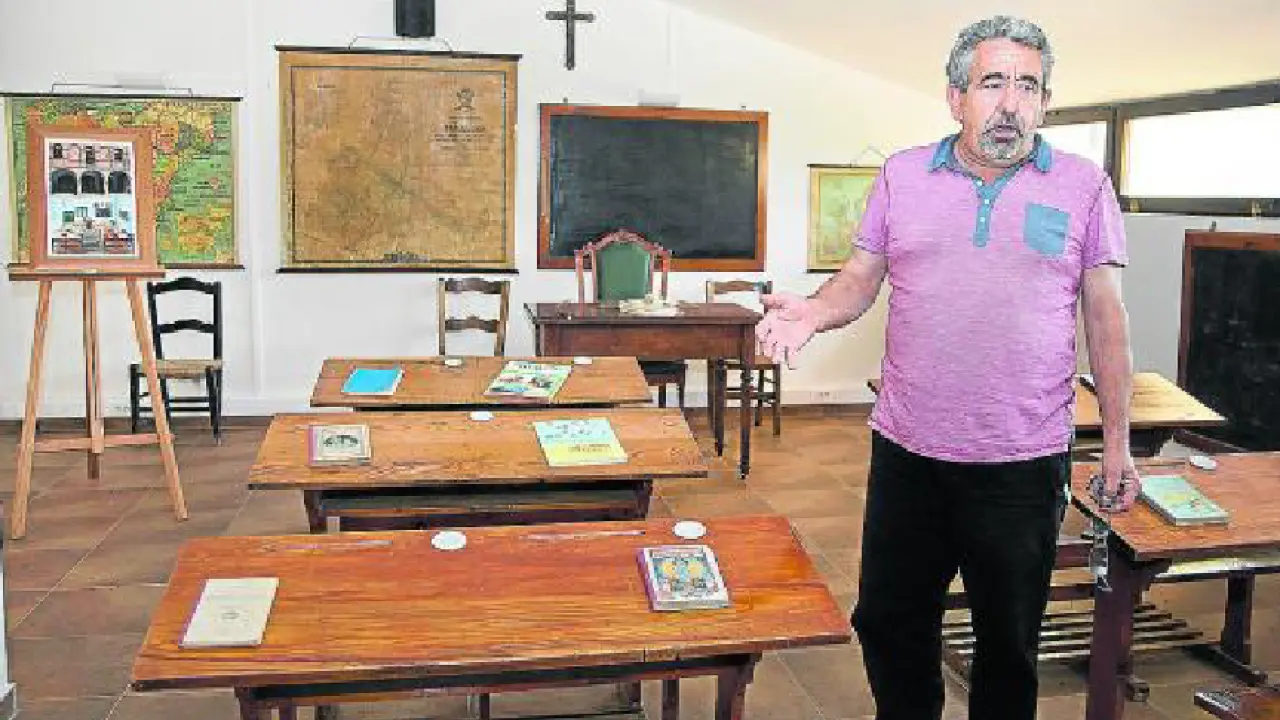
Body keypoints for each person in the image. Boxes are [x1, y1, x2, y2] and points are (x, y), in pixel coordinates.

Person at [755, 15, 1137, 720]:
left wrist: (1117, 444)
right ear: (956, 96)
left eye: (1029, 86)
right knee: (888, 621)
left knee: (1008, 644)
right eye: (992, 83)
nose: (1011, 103)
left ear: (1046, 102)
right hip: (910, 452)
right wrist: (812, 311)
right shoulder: (902, 175)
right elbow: (859, 278)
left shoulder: (1083, 185)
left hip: (1023, 460)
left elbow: (1106, 320)